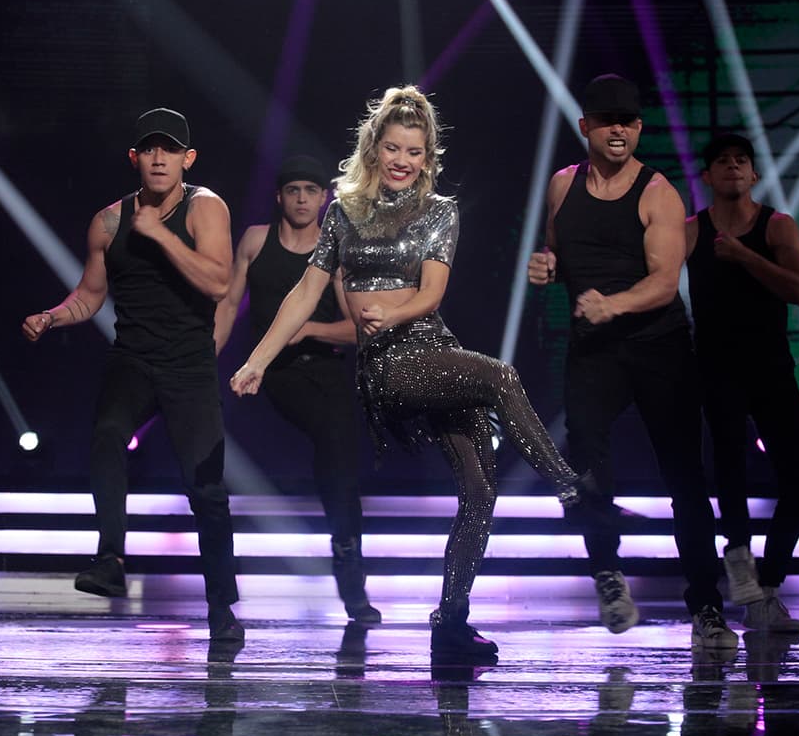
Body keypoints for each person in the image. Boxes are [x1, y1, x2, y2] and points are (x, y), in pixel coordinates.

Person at [231, 86, 599, 663]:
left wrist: (391, 311)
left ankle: (450, 623)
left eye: (416, 151)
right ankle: (574, 490)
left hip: (432, 348)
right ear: (375, 148)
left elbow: (431, 293)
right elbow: (306, 292)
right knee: (501, 377)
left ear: (428, 158)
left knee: (479, 491)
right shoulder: (343, 214)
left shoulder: (440, 213)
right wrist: (258, 359)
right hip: (388, 367)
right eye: (395, 147)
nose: (404, 160)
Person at [526, 74, 737, 650]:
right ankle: (608, 575)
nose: (619, 129)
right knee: (586, 465)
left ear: (639, 128)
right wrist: (547, 266)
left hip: (658, 346)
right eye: (608, 120)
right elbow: (558, 251)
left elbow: (667, 283)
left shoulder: (657, 192)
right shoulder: (562, 186)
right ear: (585, 127)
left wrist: (612, 303)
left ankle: (706, 605)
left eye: (629, 121)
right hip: (594, 351)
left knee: (684, 478)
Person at [22, 108, 242, 642]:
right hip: (133, 358)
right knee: (105, 435)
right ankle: (111, 559)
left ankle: (221, 606)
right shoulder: (107, 222)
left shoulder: (205, 207)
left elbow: (217, 283)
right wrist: (53, 316)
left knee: (207, 490)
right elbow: (90, 296)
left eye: (170, 150)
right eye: (149, 149)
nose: (159, 158)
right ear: (135, 158)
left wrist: (161, 235)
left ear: (188, 159)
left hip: (188, 362)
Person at [213, 155, 380, 624]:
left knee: (340, 455)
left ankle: (349, 565)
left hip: (326, 369)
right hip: (276, 372)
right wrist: (206, 357)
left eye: (311, 190)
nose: (303, 199)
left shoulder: (338, 249)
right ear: (279, 196)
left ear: (325, 197)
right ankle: (345, 557)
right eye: (294, 190)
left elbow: (357, 329)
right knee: (331, 436)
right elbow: (227, 305)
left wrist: (307, 331)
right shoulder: (255, 240)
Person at [686, 132, 799, 633]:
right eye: (722, 161)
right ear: (708, 176)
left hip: (771, 367)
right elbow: (657, 280)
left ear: (754, 173)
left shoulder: (777, 226)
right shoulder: (693, 230)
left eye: (741, 160)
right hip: (716, 367)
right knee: (730, 471)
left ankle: (768, 585)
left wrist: (746, 258)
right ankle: (739, 566)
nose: (733, 167)